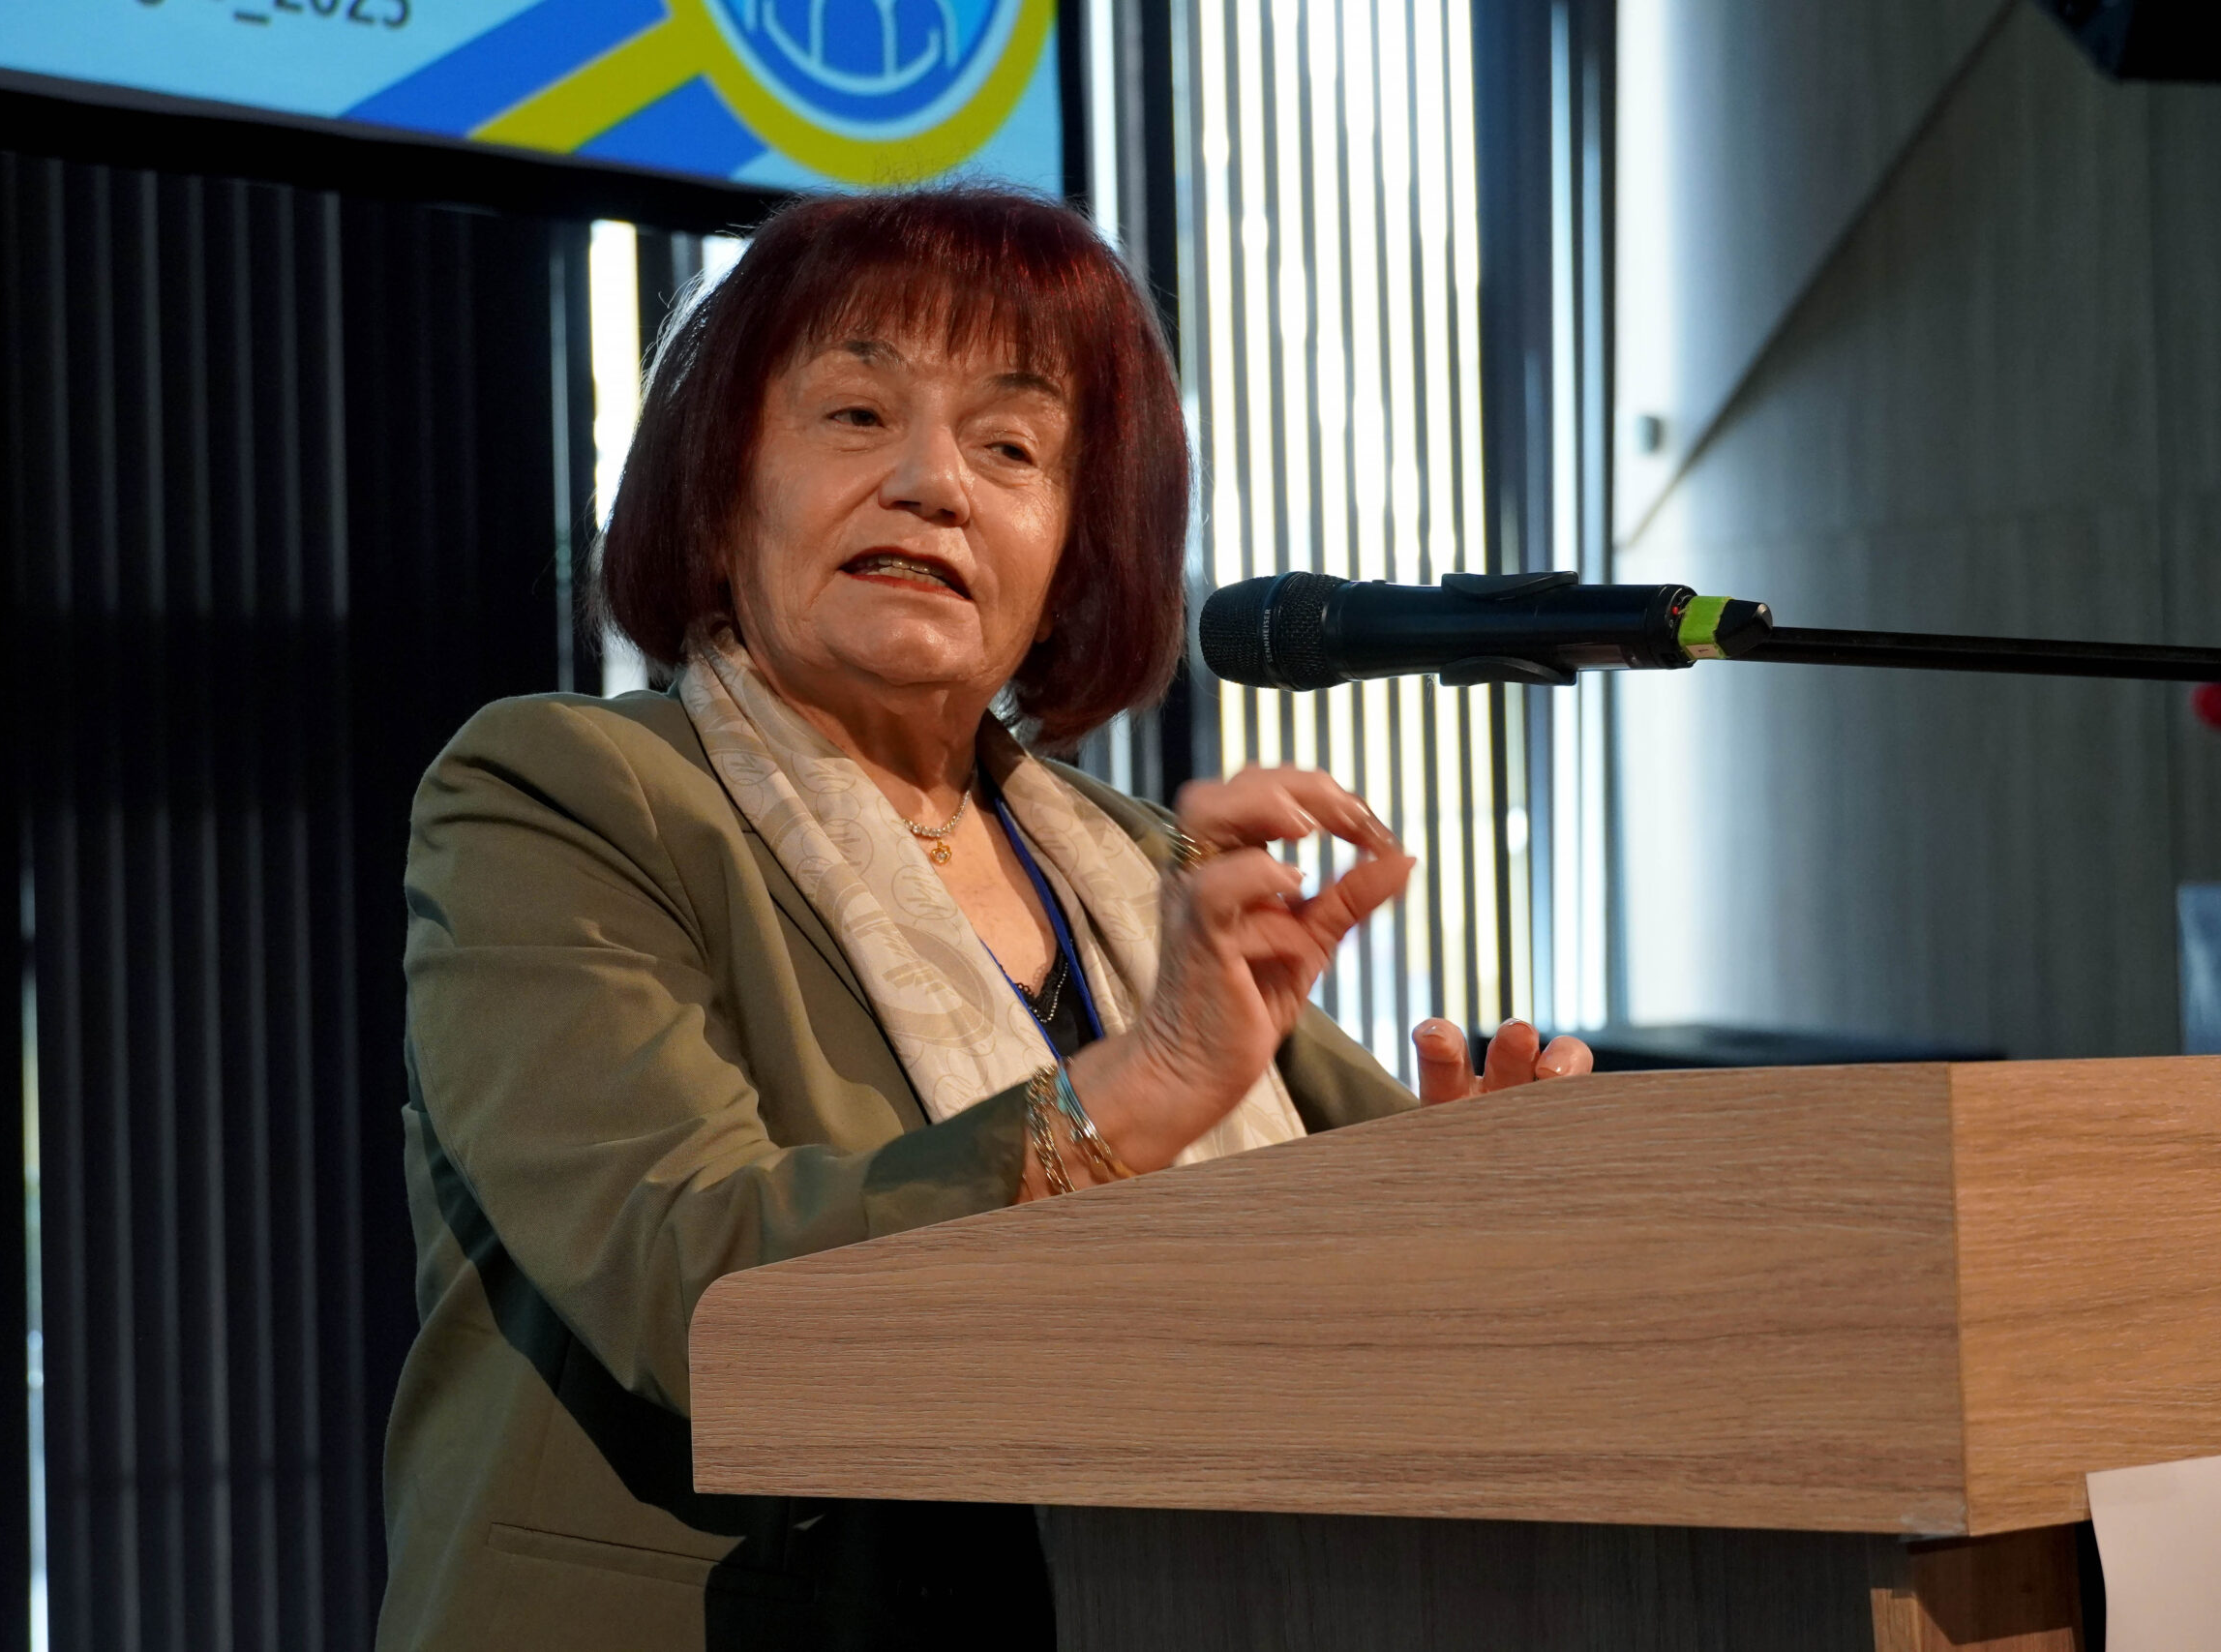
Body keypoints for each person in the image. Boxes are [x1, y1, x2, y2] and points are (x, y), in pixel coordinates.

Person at [374, 185, 1592, 1652]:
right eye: (855, 415)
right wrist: (1126, 1095)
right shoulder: (566, 795)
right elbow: (694, 1285)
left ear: (1075, 556)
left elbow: (1358, 1261)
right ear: (718, 489)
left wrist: (1479, 1193)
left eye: (1010, 447)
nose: (932, 484)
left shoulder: (1135, 874)